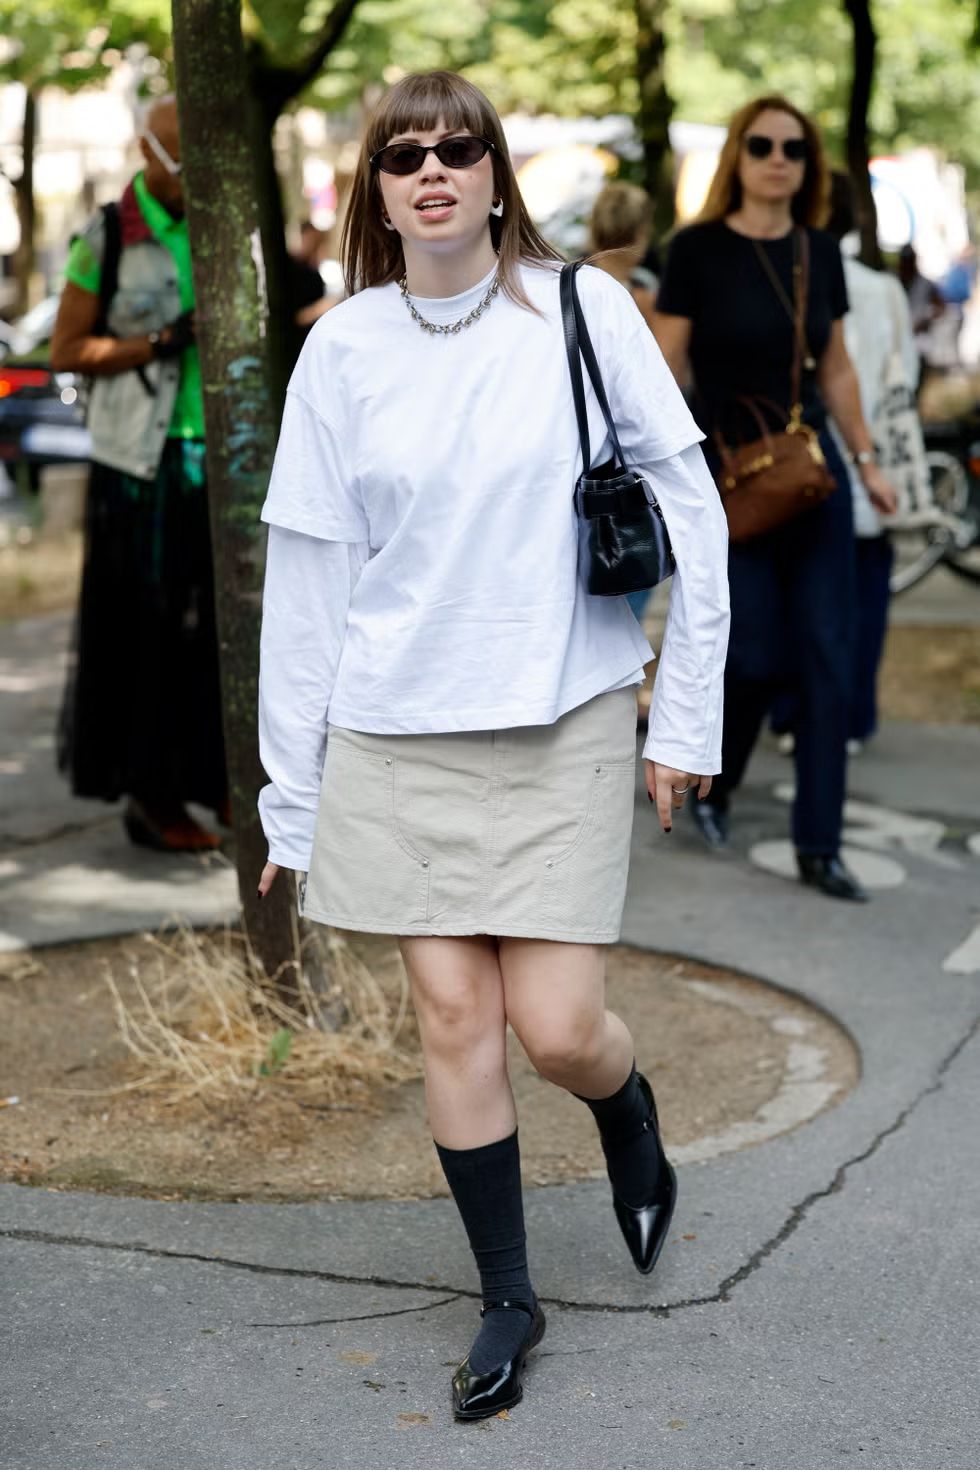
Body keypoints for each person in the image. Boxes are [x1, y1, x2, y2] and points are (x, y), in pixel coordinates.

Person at [256, 70, 729, 1422]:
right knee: (455, 1018)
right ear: (377, 189)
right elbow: (311, 582)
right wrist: (295, 794)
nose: (436, 173)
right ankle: (508, 1297)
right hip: (397, 727)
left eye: (460, 149)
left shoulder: (582, 310)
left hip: (563, 708)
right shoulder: (341, 349)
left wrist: (681, 713)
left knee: (559, 1024)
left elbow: (687, 507)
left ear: (497, 170)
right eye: (407, 156)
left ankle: (626, 1106)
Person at [654, 95, 896, 901]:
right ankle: (716, 786)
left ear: (809, 163)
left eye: (794, 147)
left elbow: (837, 369)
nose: (778, 158)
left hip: (808, 475)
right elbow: (662, 366)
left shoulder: (817, 252)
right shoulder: (694, 251)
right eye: (761, 144)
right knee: (752, 654)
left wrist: (867, 461)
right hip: (726, 482)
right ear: (738, 155)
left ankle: (820, 846)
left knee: (828, 658)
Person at [51, 96, 226, 852]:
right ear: (147, 152)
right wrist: (157, 341)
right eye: (180, 157)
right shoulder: (107, 239)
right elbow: (66, 350)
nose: (191, 173)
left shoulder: (219, 224)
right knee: (146, 633)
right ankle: (152, 796)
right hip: (137, 464)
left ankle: (215, 781)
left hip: (215, 455)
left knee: (215, 633)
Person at [588, 181, 661, 629]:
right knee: (638, 550)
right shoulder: (645, 293)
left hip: (582, 439)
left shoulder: (566, 278)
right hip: (632, 444)